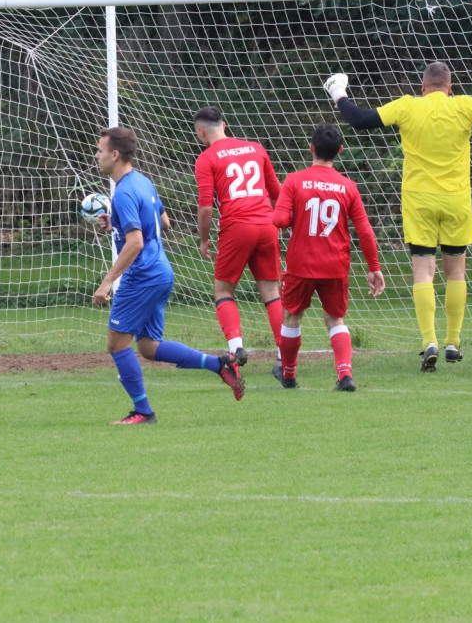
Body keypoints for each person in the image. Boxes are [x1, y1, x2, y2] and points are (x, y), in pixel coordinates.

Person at [324, 62, 472, 371]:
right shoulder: (462, 106)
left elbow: (360, 119)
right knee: (455, 273)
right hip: (455, 201)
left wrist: (338, 92)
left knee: (423, 272)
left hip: (418, 202)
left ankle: (428, 342)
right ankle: (452, 342)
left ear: (423, 88)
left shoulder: (408, 106)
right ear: (450, 88)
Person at [92, 126, 243, 425]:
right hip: (161, 272)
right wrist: (119, 222)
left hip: (143, 276)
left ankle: (143, 412)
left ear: (115, 154)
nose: (96, 155)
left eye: (99, 150)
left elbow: (135, 243)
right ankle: (220, 364)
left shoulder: (122, 192)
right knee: (148, 347)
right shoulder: (143, 182)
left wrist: (107, 281)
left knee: (116, 344)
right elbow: (165, 222)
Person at [272, 123, 385, 391]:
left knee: (291, 316)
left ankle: (288, 375)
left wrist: (293, 216)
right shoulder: (348, 186)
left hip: (301, 264)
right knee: (335, 319)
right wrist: (374, 267)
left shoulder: (294, 180)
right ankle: (345, 374)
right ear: (340, 151)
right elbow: (365, 232)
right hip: (335, 265)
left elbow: (279, 219)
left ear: (311, 148)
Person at [193, 106, 284, 377]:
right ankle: (284, 356)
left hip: (237, 227)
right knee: (271, 293)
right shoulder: (256, 148)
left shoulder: (206, 158)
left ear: (200, 131)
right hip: (267, 224)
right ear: (225, 123)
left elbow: (206, 206)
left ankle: (236, 348)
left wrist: (204, 239)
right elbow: (277, 192)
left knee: (223, 291)